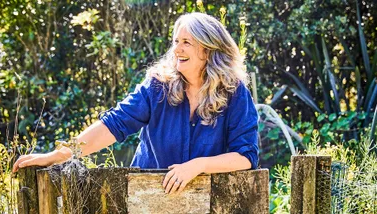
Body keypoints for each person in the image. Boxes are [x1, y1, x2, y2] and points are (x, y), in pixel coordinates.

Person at [13, 12, 259, 195]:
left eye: (187, 42)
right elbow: (114, 124)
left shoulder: (234, 93)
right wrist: (58, 155)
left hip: (208, 202)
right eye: (175, 41)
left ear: (207, 50)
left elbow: (246, 156)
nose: (176, 50)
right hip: (147, 199)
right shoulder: (157, 87)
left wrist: (197, 166)